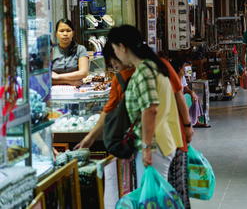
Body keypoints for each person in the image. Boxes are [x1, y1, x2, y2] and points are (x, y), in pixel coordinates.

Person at [107, 25, 191, 183]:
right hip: (161, 141)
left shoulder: (145, 70)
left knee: (153, 199)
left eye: (115, 49)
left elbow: (150, 109)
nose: (116, 55)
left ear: (122, 47)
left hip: (155, 145)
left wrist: (147, 147)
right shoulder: (152, 66)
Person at [74, 42, 135, 149]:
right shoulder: (144, 70)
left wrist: (90, 137)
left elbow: (109, 108)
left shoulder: (120, 78)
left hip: (129, 137)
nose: (113, 64)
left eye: (114, 58)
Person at [52, 19, 89, 86]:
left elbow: (84, 73)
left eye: (68, 31)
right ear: (56, 34)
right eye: (61, 31)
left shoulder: (80, 49)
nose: (65, 34)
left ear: (73, 33)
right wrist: (69, 82)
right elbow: (46, 77)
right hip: (55, 91)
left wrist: (58, 76)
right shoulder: (51, 50)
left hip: (77, 89)